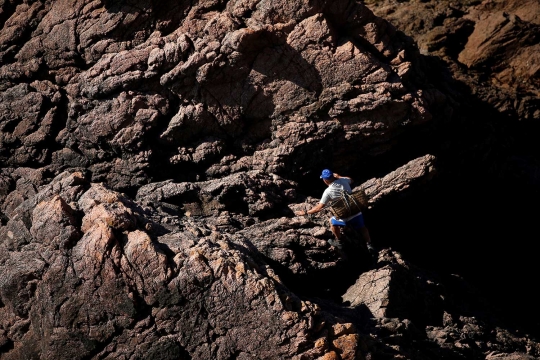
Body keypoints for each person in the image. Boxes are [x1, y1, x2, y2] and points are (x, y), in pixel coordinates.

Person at [295, 169, 374, 252]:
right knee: (363, 228)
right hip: (356, 212)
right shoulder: (344, 180)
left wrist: (306, 212)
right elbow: (351, 180)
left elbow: (319, 207)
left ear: (325, 180)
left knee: (332, 222)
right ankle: (369, 244)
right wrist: (339, 176)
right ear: (333, 176)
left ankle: (339, 242)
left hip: (344, 217)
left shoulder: (328, 192)